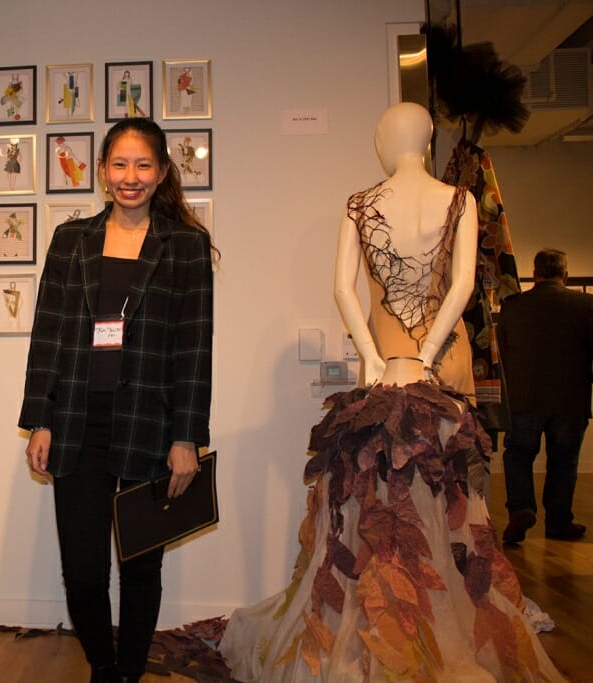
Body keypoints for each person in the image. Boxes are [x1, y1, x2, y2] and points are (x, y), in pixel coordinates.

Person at [219, 102, 564, 682]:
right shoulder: (459, 201)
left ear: (385, 140)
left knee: (377, 502)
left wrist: (379, 358)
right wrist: (426, 356)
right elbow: (461, 287)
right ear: (427, 142)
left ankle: (394, 633)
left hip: (381, 364)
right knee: (441, 498)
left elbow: (342, 289)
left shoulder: (360, 203)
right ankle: (426, 628)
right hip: (440, 363)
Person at [19, 117, 214, 683]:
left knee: (140, 568)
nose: (132, 177)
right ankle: (102, 666)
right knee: (81, 572)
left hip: (150, 428)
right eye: (120, 165)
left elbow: (193, 348)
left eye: (144, 164)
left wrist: (187, 438)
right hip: (78, 426)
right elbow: (48, 336)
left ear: (162, 172)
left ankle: (127, 673)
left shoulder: (186, 247)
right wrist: (40, 421)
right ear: (103, 172)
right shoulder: (70, 240)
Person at [497, 248, 593, 544]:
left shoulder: (513, 307)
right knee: (564, 461)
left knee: (518, 455)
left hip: (523, 397)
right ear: (565, 275)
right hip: (570, 398)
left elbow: (501, 352)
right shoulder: (586, 305)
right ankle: (559, 522)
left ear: (535, 273)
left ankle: (521, 508)